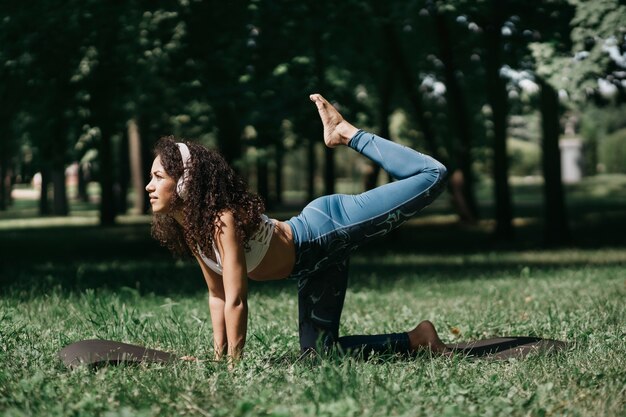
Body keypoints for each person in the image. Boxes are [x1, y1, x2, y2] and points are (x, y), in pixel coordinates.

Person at [145, 94, 449, 363]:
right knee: (319, 356)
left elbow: (237, 299)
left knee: (433, 175)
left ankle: (347, 133)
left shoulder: (223, 220)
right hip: (312, 264)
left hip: (326, 228)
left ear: (186, 181)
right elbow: (219, 297)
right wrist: (217, 357)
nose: (149, 186)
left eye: (159, 177)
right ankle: (418, 338)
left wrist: (233, 368)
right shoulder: (194, 231)